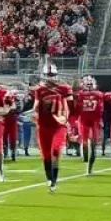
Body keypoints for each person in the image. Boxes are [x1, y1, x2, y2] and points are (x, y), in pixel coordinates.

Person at [31, 62, 71, 193]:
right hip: (43, 125)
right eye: (48, 75)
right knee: (46, 155)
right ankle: (50, 180)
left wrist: (65, 118)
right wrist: (35, 112)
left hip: (58, 125)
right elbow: (36, 105)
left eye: (52, 75)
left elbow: (69, 106)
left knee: (55, 150)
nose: (50, 77)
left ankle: (54, 180)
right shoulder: (39, 90)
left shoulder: (64, 88)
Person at [74, 75, 104, 176]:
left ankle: (88, 166)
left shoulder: (80, 94)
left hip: (89, 120)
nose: (90, 86)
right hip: (88, 120)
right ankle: (88, 166)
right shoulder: (98, 94)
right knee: (89, 144)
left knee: (90, 144)